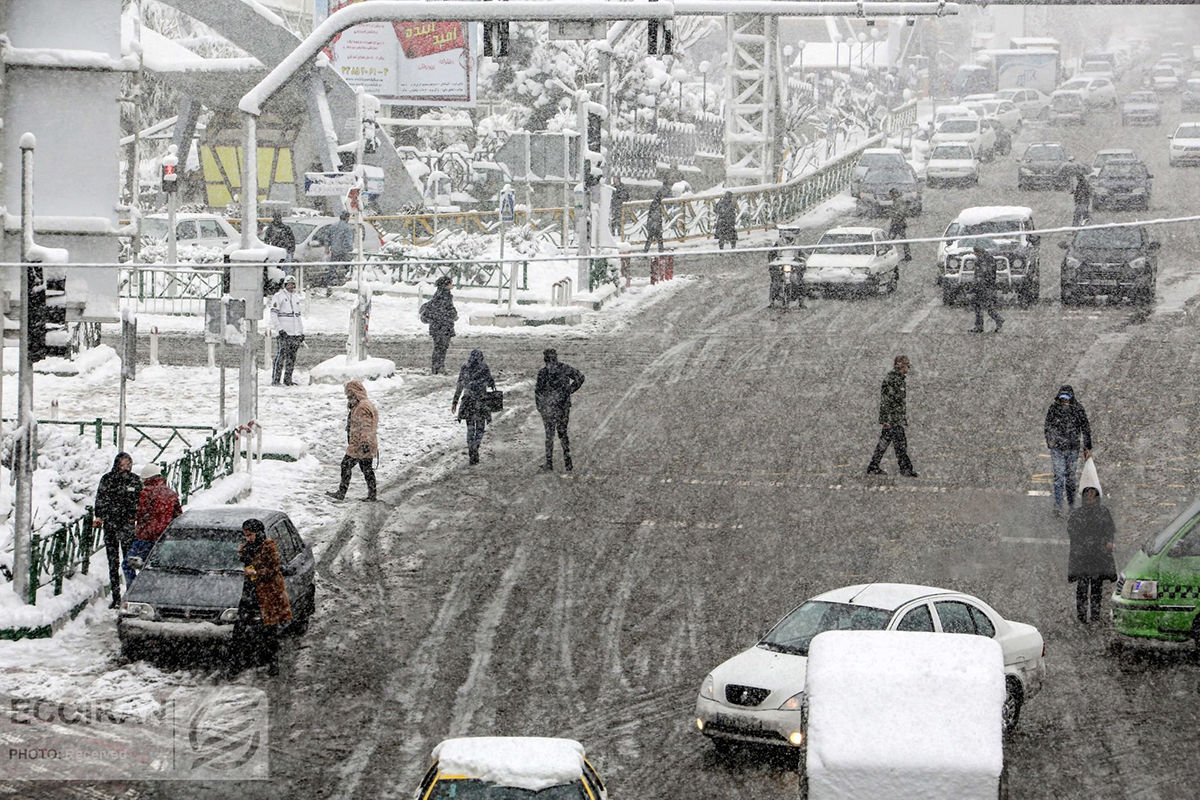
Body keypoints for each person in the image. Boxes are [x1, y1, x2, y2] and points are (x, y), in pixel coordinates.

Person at [232, 518, 292, 676]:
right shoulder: (248, 546)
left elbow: (273, 570)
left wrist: (256, 573)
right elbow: (246, 563)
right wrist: (243, 554)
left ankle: (272, 662)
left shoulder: (269, 547)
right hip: (250, 591)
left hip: (267, 592)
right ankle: (238, 661)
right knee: (240, 627)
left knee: (269, 630)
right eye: (245, 535)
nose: (247, 538)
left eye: (250, 535)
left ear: (258, 533)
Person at [92, 452, 142, 607]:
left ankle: (130, 594)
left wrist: (134, 515)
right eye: (123, 464)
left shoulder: (134, 480)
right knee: (112, 561)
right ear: (117, 464)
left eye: (128, 464)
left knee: (129, 560)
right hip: (111, 524)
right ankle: (116, 597)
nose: (126, 467)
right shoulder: (108, 479)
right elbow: (100, 498)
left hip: (127, 524)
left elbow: (139, 500)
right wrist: (99, 516)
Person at [1067, 483, 1117, 624]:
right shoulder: (1078, 515)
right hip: (1084, 557)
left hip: (1096, 557)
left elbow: (1109, 531)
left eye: (1092, 498)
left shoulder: (1101, 513)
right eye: (1087, 498)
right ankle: (1082, 615)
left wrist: (1107, 542)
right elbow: (1073, 533)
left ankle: (1094, 615)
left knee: (1096, 588)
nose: (1090, 501)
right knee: (1083, 588)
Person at [126, 463, 181, 587]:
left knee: (128, 563)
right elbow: (178, 515)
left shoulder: (146, 493)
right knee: (158, 567)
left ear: (147, 479)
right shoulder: (171, 493)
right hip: (164, 538)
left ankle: (134, 589)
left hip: (146, 536)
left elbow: (141, 514)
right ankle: (157, 588)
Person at [1044, 384, 1093, 515]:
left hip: (1072, 448)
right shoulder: (1054, 409)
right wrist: (1050, 441)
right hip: (1058, 448)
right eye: (1063, 398)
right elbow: (1048, 426)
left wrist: (1087, 447)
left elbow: (1085, 428)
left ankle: (1071, 505)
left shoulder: (1077, 409)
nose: (1065, 401)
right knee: (1059, 477)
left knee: (1070, 478)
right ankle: (1058, 506)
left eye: (1067, 398)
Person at [866, 355, 918, 477]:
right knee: (900, 445)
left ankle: (873, 466)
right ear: (901, 366)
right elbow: (886, 401)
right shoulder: (893, 380)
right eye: (907, 366)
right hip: (893, 419)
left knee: (884, 443)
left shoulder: (897, 378)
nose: (907, 369)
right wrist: (886, 419)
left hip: (895, 418)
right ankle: (905, 469)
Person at [535, 349, 585, 472]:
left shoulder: (543, 373)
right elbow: (580, 377)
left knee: (550, 435)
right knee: (562, 434)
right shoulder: (564, 368)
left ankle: (549, 463)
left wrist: (540, 407)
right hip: (562, 407)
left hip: (550, 408)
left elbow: (538, 392)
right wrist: (570, 390)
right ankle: (568, 463)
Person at [328, 380, 379, 501]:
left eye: (350, 395)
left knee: (346, 465)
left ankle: (342, 493)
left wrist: (364, 443)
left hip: (360, 445)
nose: (348, 398)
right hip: (361, 443)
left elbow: (366, 426)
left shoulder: (362, 408)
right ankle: (372, 494)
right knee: (366, 469)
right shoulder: (360, 405)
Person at [451, 349, 497, 466]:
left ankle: (472, 448)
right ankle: (476, 447)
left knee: (470, 428)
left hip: (468, 401)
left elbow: (460, 384)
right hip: (481, 401)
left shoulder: (465, 367)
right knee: (480, 428)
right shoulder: (484, 367)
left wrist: (455, 401)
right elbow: (490, 383)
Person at [269, 273, 303, 386]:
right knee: (281, 356)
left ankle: (288, 379)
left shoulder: (296, 297)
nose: (291, 286)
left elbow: (298, 316)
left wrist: (301, 332)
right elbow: (273, 314)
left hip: (295, 333)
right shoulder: (278, 296)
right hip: (284, 332)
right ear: (285, 285)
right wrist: (279, 329)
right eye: (289, 284)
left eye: (293, 284)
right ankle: (276, 379)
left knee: (292, 358)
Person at [420, 275, 458, 375]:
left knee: (440, 347)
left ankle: (437, 366)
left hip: (439, 326)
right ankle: (438, 367)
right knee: (441, 347)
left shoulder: (442, 295)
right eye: (450, 283)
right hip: (442, 326)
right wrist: (453, 315)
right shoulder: (443, 296)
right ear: (446, 284)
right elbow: (444, 311)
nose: (452, 285)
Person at [969, 241, 1003, 333]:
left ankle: (995, 320)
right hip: (984, 287)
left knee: (984, 306)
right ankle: (981, 325)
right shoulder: (986, 258)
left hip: (984, 287)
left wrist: (977, 285)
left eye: (975, 252)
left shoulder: (983, 260)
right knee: (982, 306)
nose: (974, 254)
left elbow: (983, 275)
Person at [324, 210, 355, 291]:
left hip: (334, 250)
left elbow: (327, 237)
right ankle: (347, 281)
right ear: (347, 218)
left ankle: (330, 282)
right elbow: (348, 240)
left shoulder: (333, 226)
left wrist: (327, 247)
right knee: (348, 267)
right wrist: (350, 249)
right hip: (344, 251)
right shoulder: (347, 227)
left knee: (333, 267)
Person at [886, 189, 911, 262]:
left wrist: (896, 220)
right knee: (902, 239)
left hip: (898, 223)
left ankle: (886, 255)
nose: (891, 196)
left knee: (890, 239)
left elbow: (901, 212)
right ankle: (907, 255)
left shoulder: (898, 201)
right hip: (898, 223)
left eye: (891, 195)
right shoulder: (897, 200)